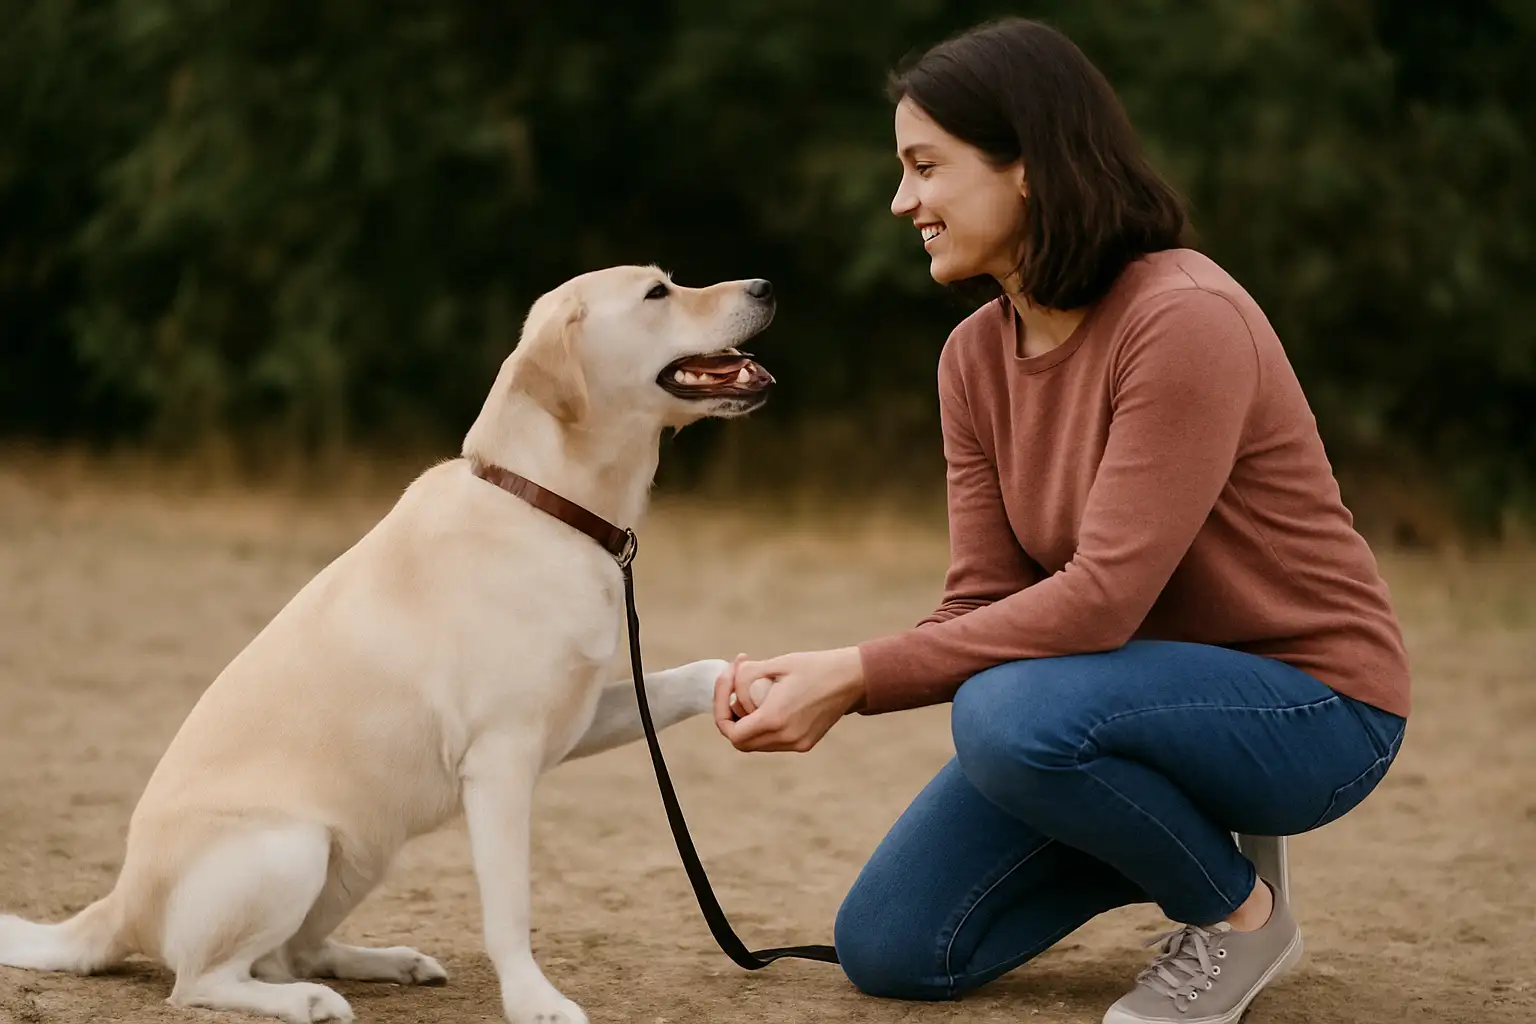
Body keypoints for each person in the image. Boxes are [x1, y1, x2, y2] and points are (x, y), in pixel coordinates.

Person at [711, 17, 1410, 1024]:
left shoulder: (1183, 317)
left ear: (1029, 167)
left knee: (1005, 715)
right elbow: (982, 604)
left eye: (926, 167)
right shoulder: (972, 359)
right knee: (894, 945)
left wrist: (857, 676)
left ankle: (1243, 916)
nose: (903, 201)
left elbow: (1101, 601)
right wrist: (825, 676)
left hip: (1314, 709)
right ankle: (1179, 829)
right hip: (1118, 710)